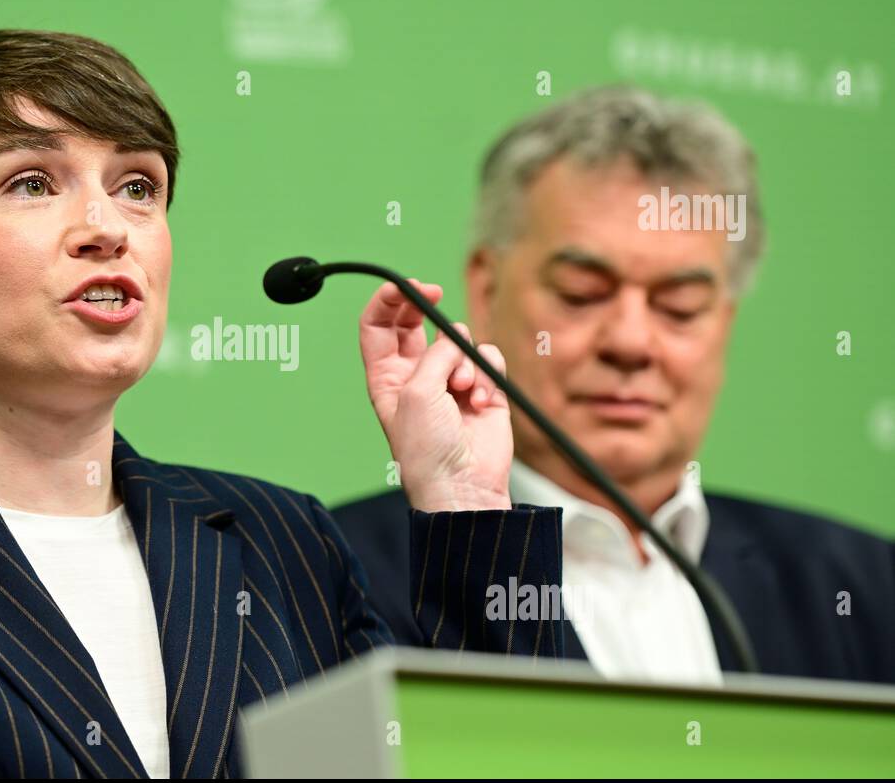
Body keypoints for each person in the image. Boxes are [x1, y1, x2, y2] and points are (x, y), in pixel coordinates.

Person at [0, 30, 563, 779]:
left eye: (138, 186)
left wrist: (466, 504)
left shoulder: (283, 541)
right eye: (33, 182)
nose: (107, 226)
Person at [334, 86, 894, 685]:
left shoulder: (861, 585)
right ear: (486, 289)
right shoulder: (332, 576)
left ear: (725, 320)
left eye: (679, 306)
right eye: (582, 293)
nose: (630, 342)